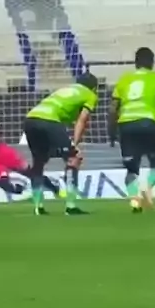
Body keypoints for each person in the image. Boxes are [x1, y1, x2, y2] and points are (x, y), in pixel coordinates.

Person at [109, 47, 155, 213]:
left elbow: (112, 109)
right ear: (152, 62)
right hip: (148, 123)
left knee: (132, 169)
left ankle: (135, 202)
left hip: (126, 124)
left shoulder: (124, 80)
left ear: (135, 62)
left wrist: (111, 130)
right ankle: (147, 187)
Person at [23, 72, 99, 216]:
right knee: (73, 158)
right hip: (49, 120)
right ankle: (71, 206)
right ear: (94, 88)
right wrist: (75, 144)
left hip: (30, 119)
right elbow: (82, 120)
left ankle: (38, 207)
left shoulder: (66, 89)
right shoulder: (90, 94)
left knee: (38, 163)